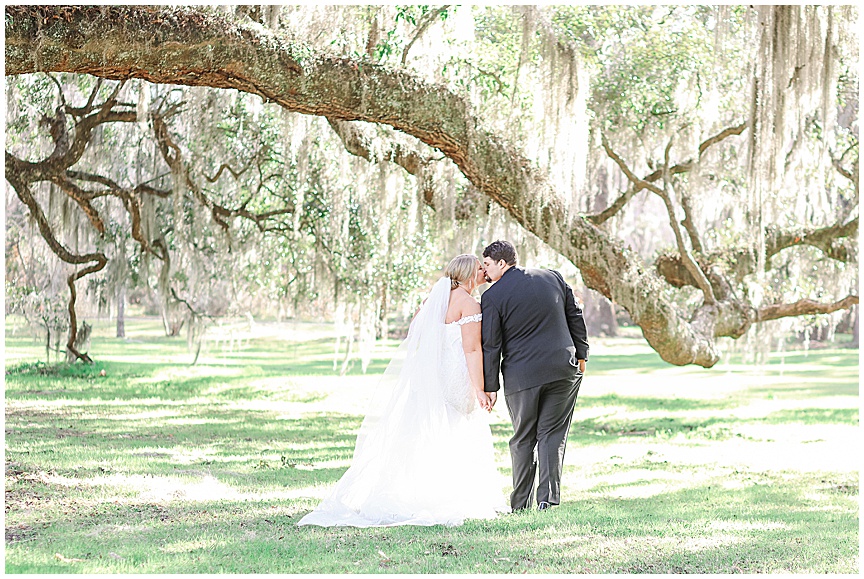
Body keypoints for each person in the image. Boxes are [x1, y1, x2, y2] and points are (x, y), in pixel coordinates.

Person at [298, 254, 507, 527]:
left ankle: (422, 490)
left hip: (434, 374)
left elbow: (417, 335)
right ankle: (449, 494)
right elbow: (471, 348)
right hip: (457, 374)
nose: (484, 273)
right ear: (469, 274)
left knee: (427, 431)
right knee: (457, 428)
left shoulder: (434, 301)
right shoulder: (469, 303)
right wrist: (480, 388)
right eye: (480, 269)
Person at [480, 240, 589, 512]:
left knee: (523, 438)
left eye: (487, 264)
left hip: (522, 376)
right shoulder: (552, 277)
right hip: (563, 368)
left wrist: (490, 385)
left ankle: (520, 504)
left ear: (502, 263)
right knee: (552, 434)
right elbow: (575, 314)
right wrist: (582, 353)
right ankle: (546, 501)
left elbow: (491, 345)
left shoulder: (492, 296)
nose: (484, 271)